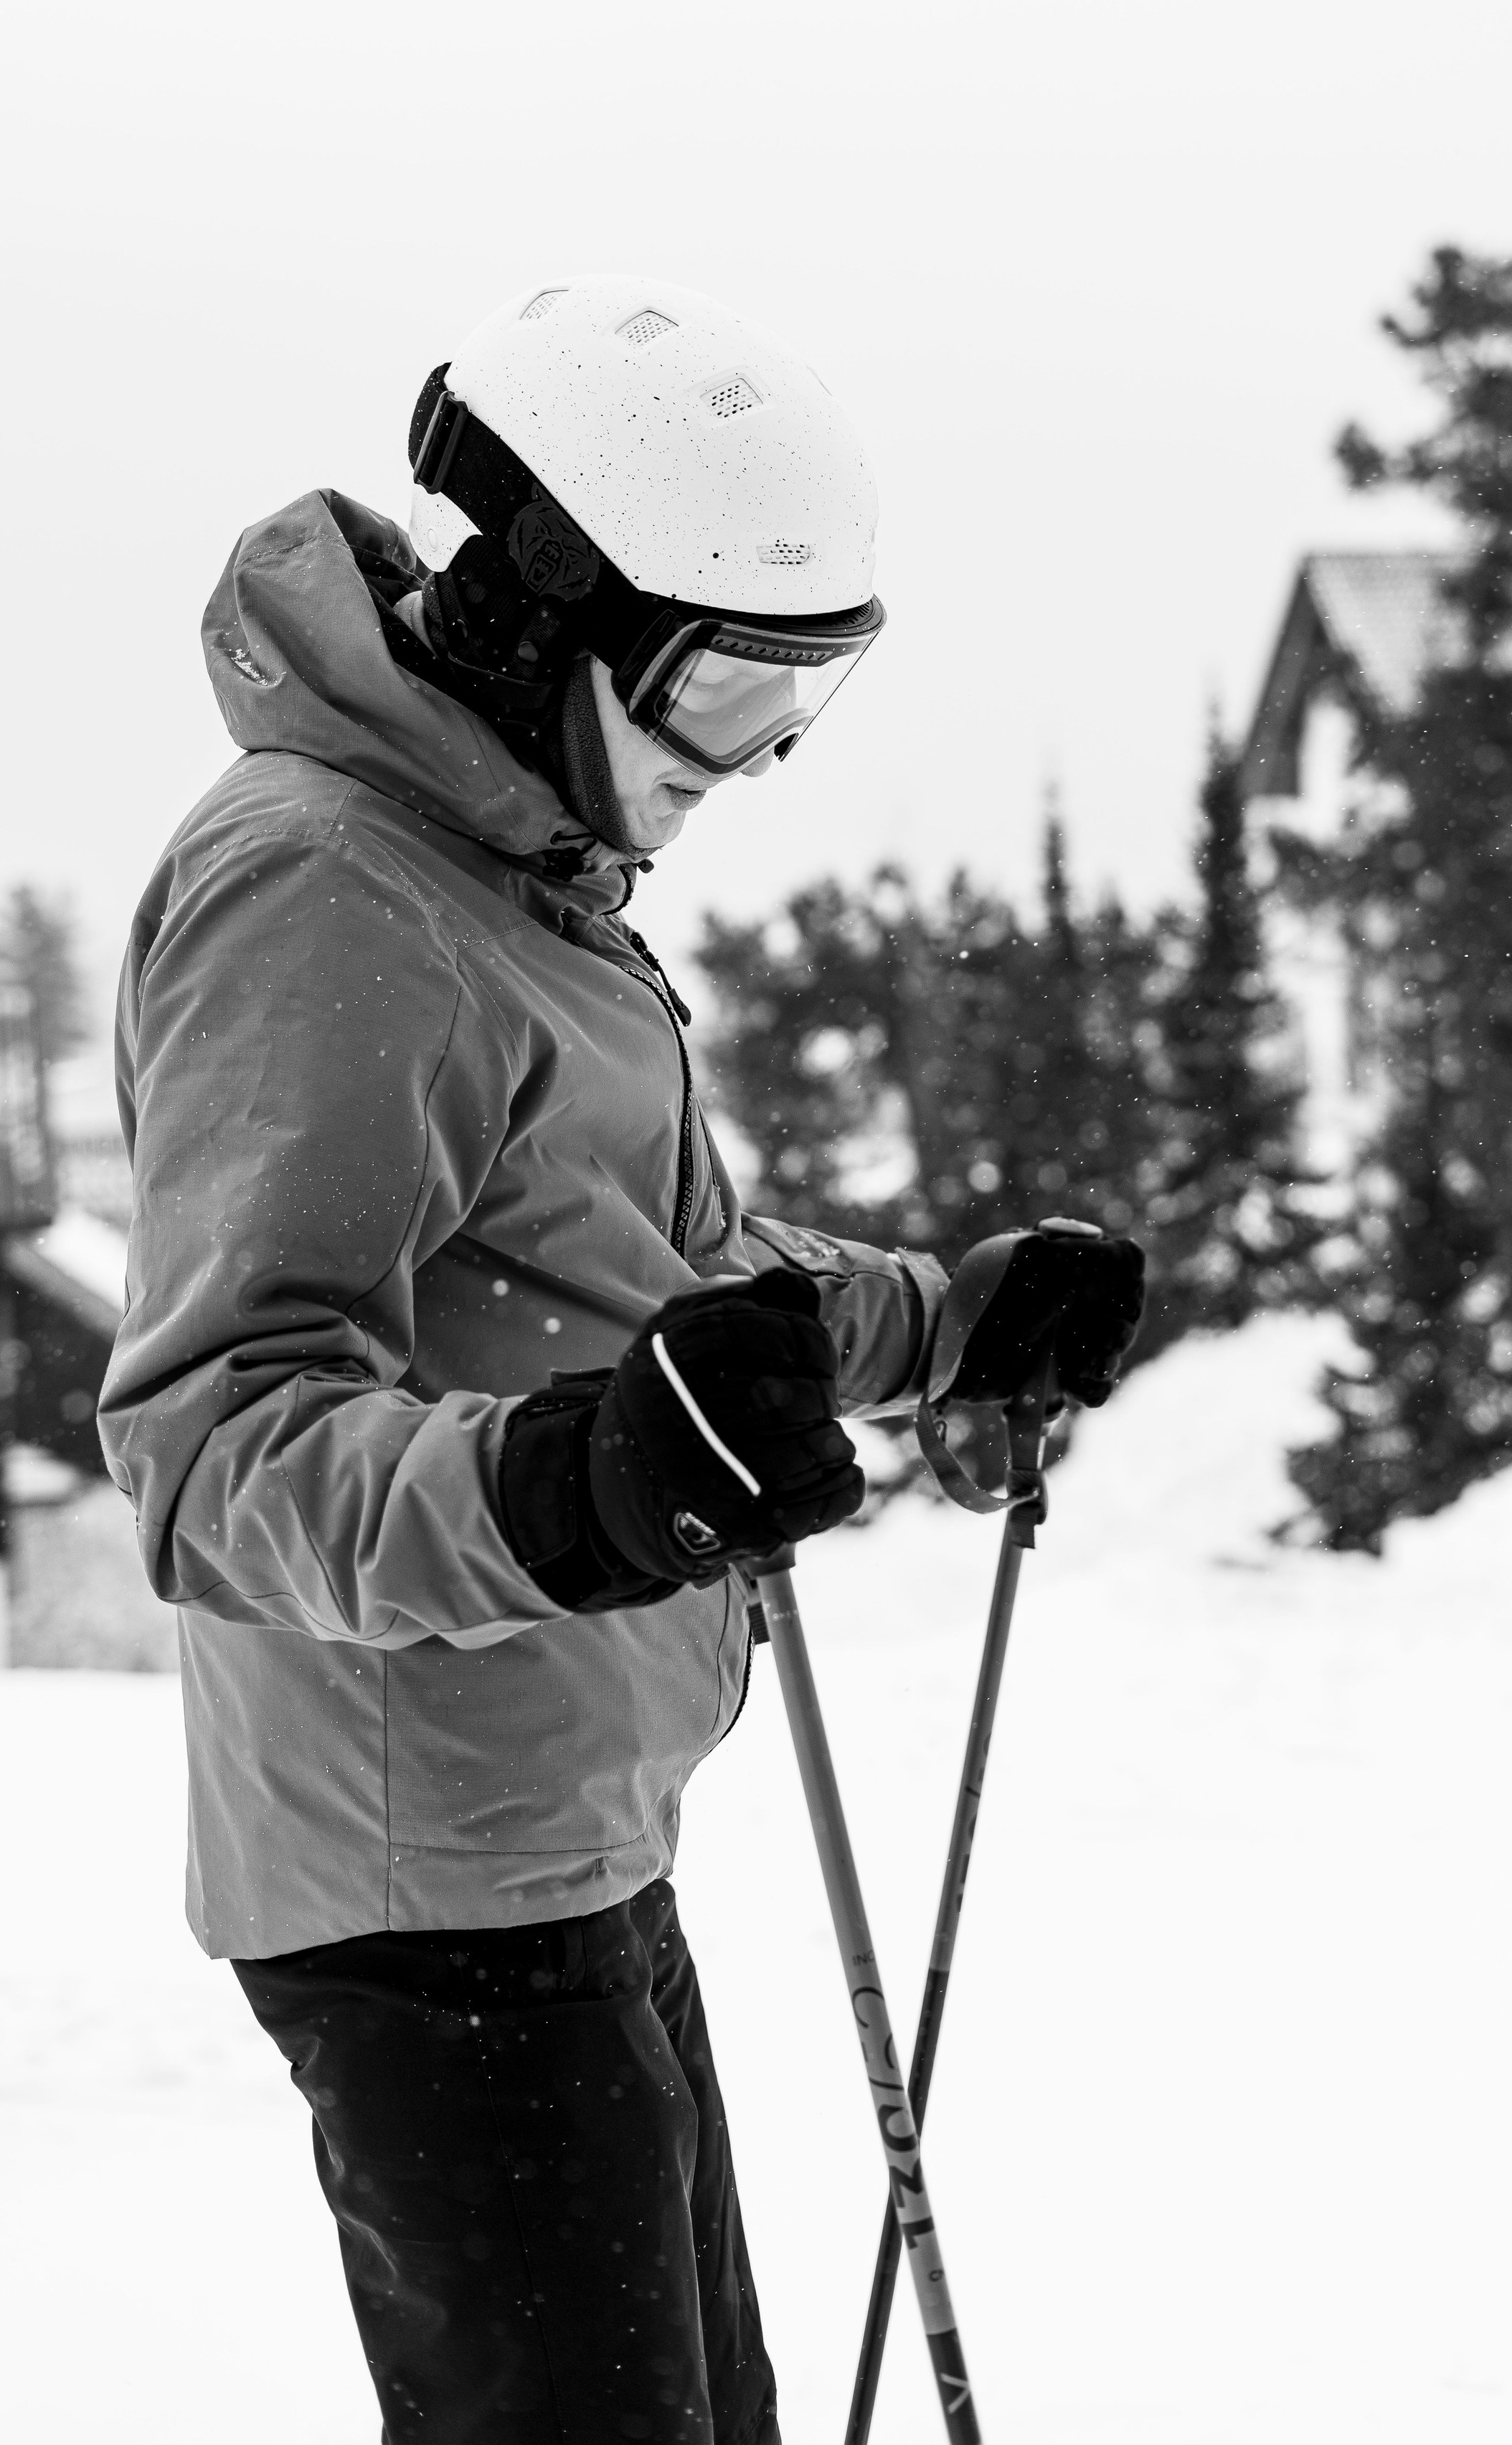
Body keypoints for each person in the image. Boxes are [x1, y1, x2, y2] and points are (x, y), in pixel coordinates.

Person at [99, 275, 1144, 2445]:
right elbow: (214, 1455)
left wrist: (938, 1317)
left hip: (561, 1838)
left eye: (805, 702)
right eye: (734, 689)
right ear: (556, 607)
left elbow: (666, 1280)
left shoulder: (511, 871)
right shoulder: (329, 893)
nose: (751, 762)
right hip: (427, 1893)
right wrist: (583, 1482)